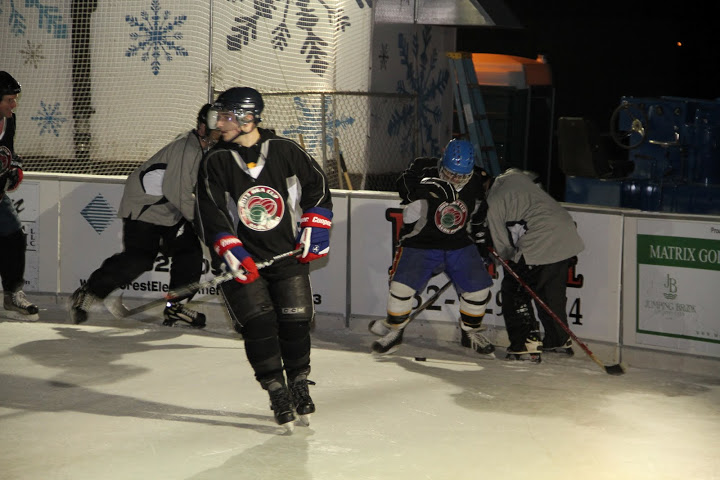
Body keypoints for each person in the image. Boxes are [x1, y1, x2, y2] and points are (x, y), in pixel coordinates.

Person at [195, 87, 332, 432]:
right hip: (241, 261)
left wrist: (315, 224)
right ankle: (276, 390)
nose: (218, 124)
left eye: (225, 117)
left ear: (247, 118)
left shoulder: (284, 150)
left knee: (296, 322)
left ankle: (298, 381)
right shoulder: (215, 160)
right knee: (259, 326)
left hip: (286, 257)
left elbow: (317, 185)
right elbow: (209, 210)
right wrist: (229, 247)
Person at [69, 104, 219, 327]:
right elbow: (177, 193)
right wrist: (205, 225)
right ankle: (89, 292)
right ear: (202, 128)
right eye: (216, 130)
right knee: (138, 259)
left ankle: (175, 306)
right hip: (145, 208)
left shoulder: (202, 148)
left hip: (169, 210)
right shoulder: (188, 150)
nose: (220, 134)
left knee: (190, 253)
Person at [368, 139, 495, 357]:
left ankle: (470, 332)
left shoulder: (476, 180)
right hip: (421, 242)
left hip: (459, 244)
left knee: (479, 290)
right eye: (451, 174)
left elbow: (478, 215)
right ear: (442, 164)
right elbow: (404, 188)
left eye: (461, 176)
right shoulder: (424, 168)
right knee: (401, 288)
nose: (455, 180)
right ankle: (395, 332)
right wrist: (425, 189)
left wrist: (482, 244)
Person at [480, 168, 585, 362]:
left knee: (514, 290)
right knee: (550, 291)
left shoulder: (493, 202)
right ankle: (558, 339)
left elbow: (503, 246)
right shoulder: (513, 175)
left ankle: (524, 342)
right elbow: (533, 178)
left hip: (539, 239)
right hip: (565, 233)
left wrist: (503, 258)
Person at [0, 71, 39, 322]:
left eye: (15, 99)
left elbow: (9, 152)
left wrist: (15, 167)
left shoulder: (9, 121)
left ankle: (13, 295)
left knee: (14, 237)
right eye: (9, 100)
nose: (14, 105)